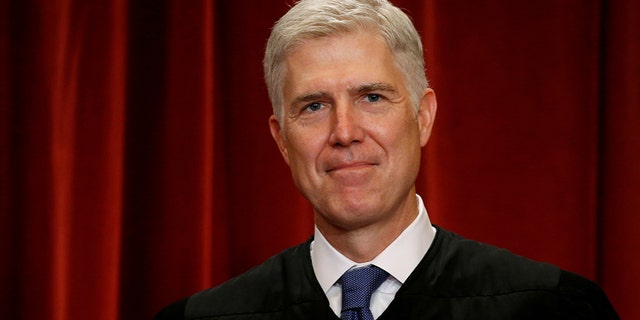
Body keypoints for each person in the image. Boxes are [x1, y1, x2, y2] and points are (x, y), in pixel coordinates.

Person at [155, 0, 618, 319]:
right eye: (313, 106)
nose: (345, 132)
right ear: (281, 139)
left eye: (372, 97)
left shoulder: (553, 308)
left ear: (422, 118)